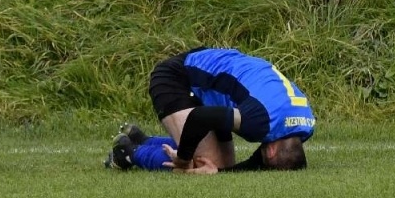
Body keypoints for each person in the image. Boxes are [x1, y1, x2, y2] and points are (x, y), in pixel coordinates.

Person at [124, 48, 315, 174]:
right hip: (177, 77)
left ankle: (144, 140)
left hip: (208, 73)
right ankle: (129, 152)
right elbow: (200, 118)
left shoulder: (304, 125)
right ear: (272, 151)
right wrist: (183, 158)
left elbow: (253, 160)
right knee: (199, 163)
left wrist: (221, 172)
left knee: (219, 165)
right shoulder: (262, 122)